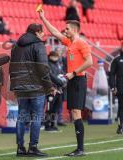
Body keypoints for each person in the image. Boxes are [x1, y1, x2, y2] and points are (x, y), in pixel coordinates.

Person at [39, 10, 93, 156]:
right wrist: (43, 18)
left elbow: (90, 62)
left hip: (78, 79)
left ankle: (80, 149)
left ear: (75, 30)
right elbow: (55, 32)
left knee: (76, 112)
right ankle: (79, 148)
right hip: (72, 80)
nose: (65, 30)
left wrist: (73, 73)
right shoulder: (70, 42)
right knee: (74, 112)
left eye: (67, 28)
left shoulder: (82, 43)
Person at [10, 23, 55, 157]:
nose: (43, 35)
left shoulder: (16, 45)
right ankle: (33, 147)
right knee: (36, 116)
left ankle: (20, 147)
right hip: (36, 86)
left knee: (22, 115)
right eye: (42, 32)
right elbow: (43, 68)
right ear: (37, 32)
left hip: (19, 85)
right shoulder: (38, 44)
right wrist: (49, 86)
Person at [45, 51, 66, 131]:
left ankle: (53, 124)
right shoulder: (47, 64)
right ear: (50, 56)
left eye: (56, 57)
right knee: (49, 108)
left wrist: (64, 81)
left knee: (56, 109)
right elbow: (50, 76)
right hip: (51, 90)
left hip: (59, 90)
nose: (55, 58)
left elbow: (62, 74)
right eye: (54, 56)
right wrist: (60, 82)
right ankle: (47, 125)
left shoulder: (58, 64)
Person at [109, 41, 123, 134]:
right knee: (121, 107)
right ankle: (120, 126)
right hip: (120, 88)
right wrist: (113, 87)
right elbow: (112, 74)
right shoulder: (117, 60)